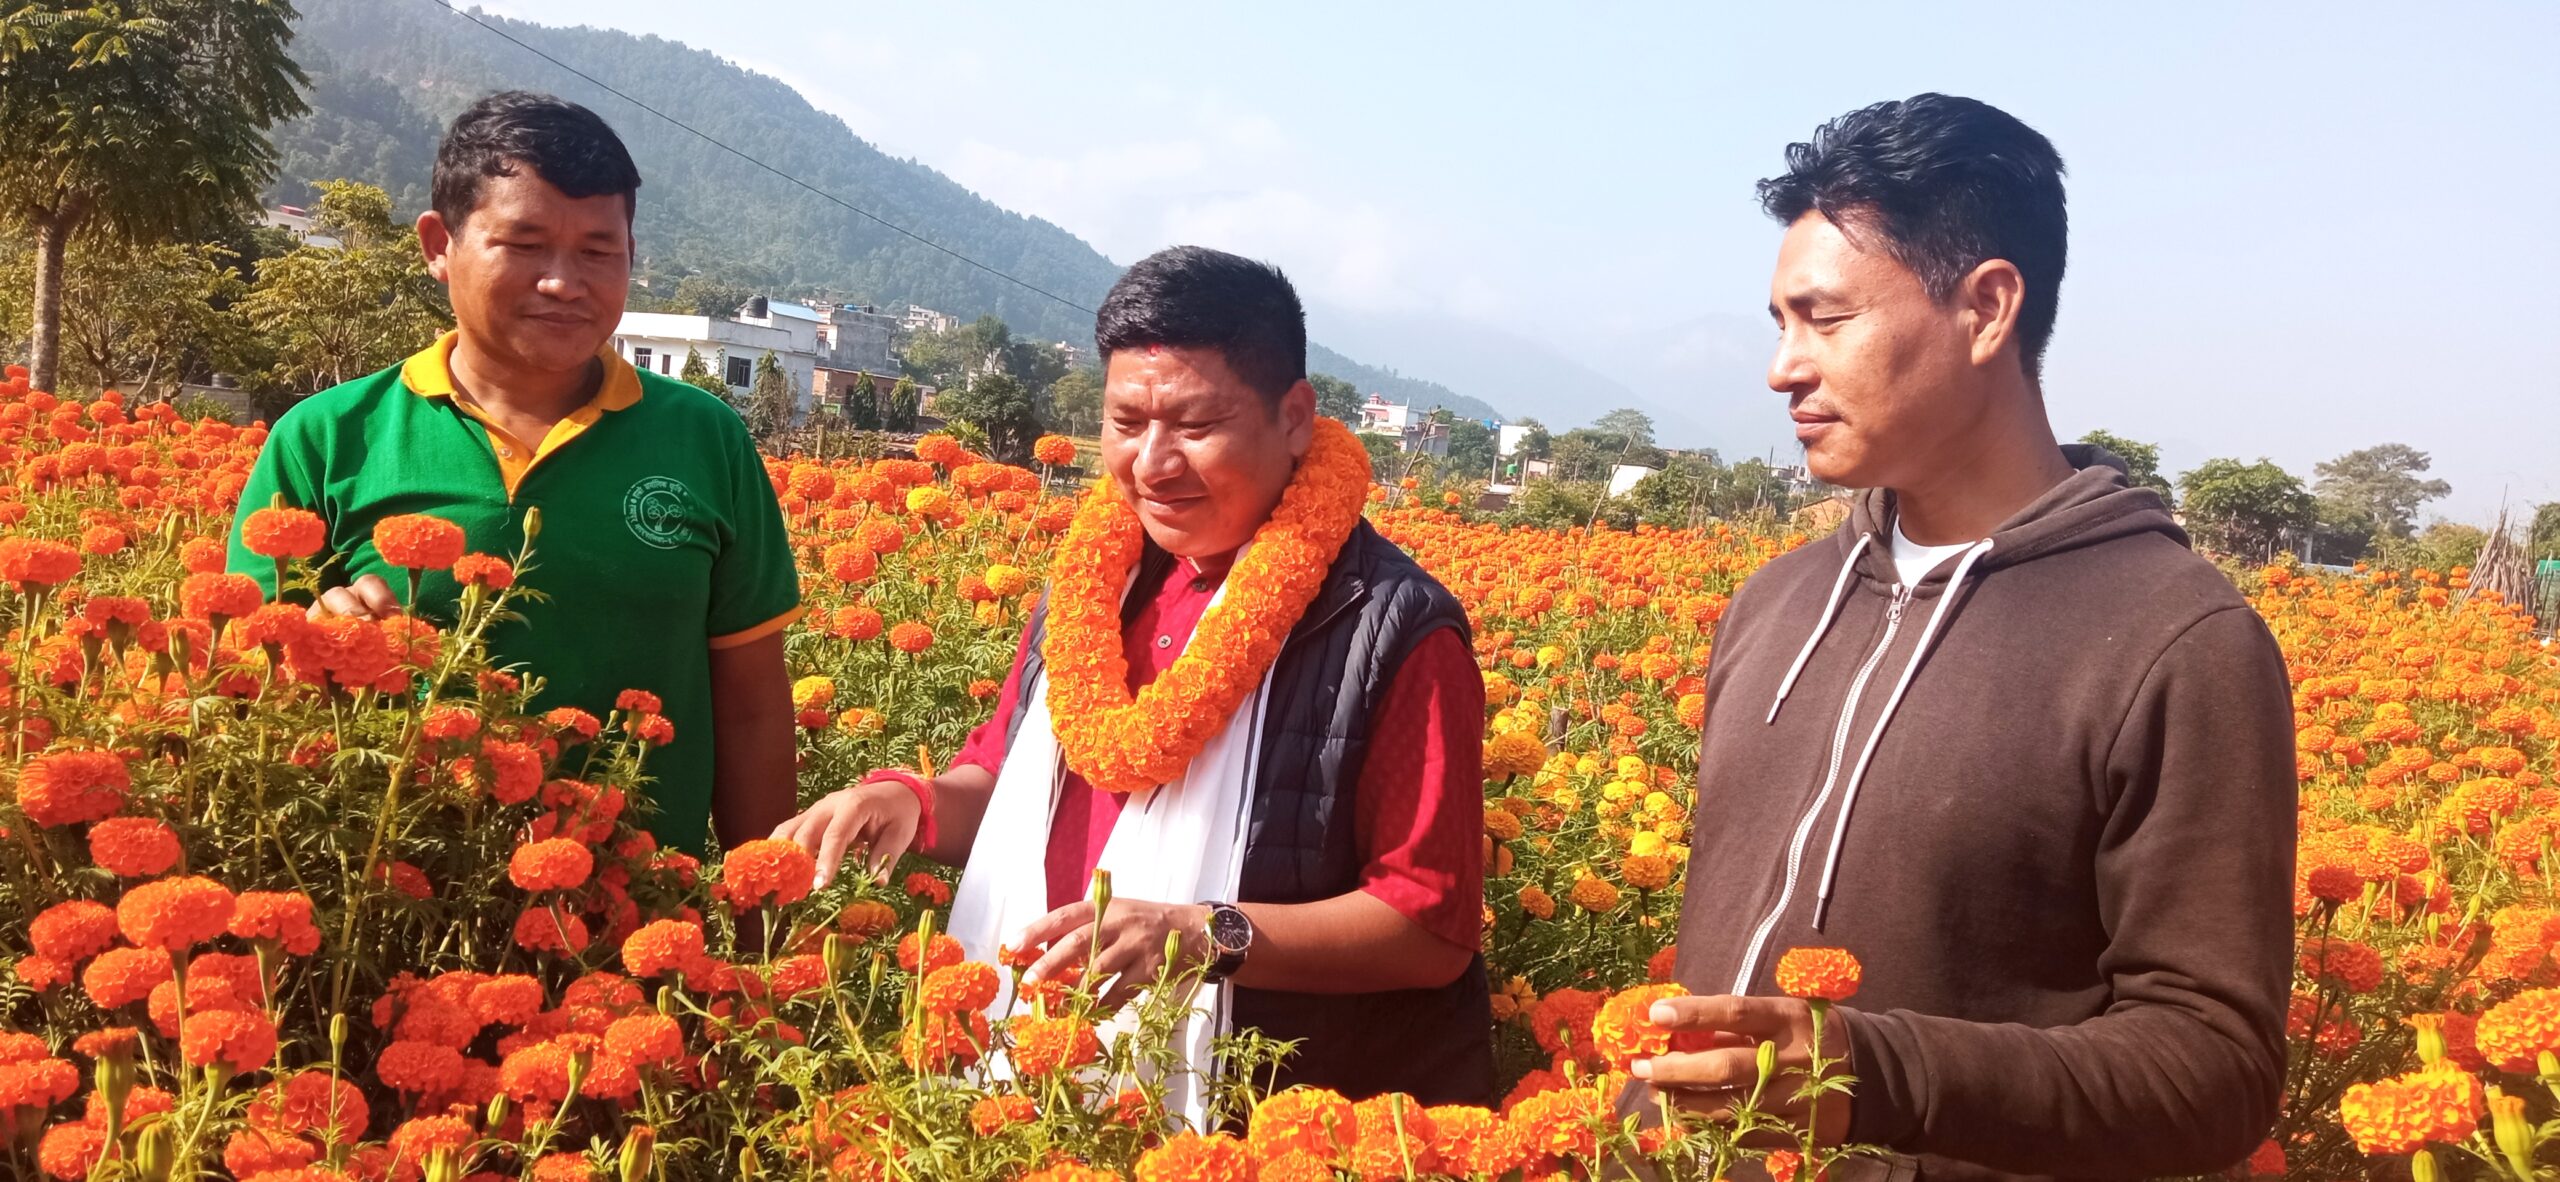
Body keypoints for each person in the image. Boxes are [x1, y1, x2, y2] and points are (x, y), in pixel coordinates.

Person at [1623, 94, 2296, 1179]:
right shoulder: (1778, 601)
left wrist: (1874, 1075)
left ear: (1986, 308)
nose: (1783, 368)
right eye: (1779, 323)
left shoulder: (2174, 639)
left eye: (1825, 320)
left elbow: (2212, 1068)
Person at [776, 246, 1493, 1113]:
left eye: (1195, 425)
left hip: (1246, 1118)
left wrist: (1201, 935)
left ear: (1296, 418)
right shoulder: (1093, 583)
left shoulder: (1390, 630)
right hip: (1034, 1079)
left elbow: (1427, 929)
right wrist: (907, 802)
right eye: (1126, 422)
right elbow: (1003, 783)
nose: (1153, 463)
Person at [227, 91, 801, 855]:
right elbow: (242, 684)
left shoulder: (706, 438)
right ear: (439, 244)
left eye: (598, 251)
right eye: (524, 244)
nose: (564, 281)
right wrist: (314, 643)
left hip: (637, 904)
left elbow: (753, 705)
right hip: (390, 898)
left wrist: (762, 907)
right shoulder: (327, 438)